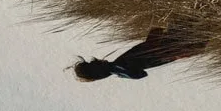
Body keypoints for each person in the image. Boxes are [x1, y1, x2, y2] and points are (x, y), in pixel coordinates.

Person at [72, 27, 206, 82]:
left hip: (170, 47)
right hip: (171, 50)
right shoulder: (118, 68)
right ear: (97, 71)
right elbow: (139, 74)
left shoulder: (117, 67)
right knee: (201, 38)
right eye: (93, 63)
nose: (97, 60)